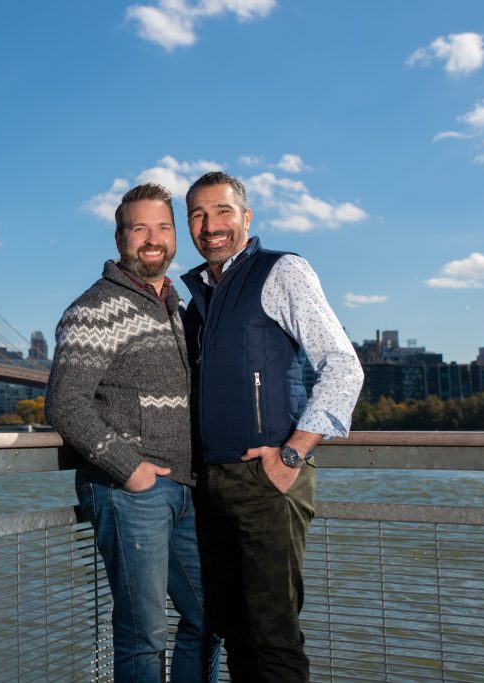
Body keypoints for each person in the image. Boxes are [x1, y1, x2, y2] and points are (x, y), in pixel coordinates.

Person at [180, 171, 364, 682]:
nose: (210, 225)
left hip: (267, 482)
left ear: (246, 218)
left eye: (221, 211)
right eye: (197, 214)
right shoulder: (198, 298)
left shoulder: (282, 271)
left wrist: (290, 457)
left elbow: (344, 366)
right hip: (211, 485)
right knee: (234, 631)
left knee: (273, 638)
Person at [45, 182, 220, 682]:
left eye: (163, 227)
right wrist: (130, 469)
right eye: (140, 227)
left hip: (184, 490)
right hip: (129, 490)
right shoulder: (95, 308)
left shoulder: (176, 309)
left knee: (213, 614)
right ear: (120, 238)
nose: (153, 238)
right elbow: (64, 402)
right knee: (143, 635)